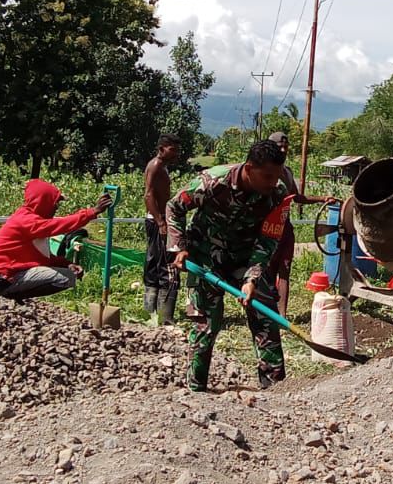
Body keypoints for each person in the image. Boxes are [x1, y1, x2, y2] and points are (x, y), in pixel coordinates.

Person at [167, 140, 290, 392]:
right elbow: (174, 207)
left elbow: (268, 239)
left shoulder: (277, 194)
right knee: (205, 323)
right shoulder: (212, 183)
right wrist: (179, 247)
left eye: (276, 176)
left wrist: (253, 277)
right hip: (204, 258)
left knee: (265, 315)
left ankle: (277, 388)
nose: (272, 182)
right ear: (248, 167)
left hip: (246, 259)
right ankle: (195, 389)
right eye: (267, 176)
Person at [0, 180, 112, 300]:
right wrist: (93, 212)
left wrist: (66, 263)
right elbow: (59, 225)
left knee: (67, 273)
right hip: (3, 278)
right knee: (65, 277)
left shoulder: (31, 220)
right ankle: (9, 296)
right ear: (43, 202)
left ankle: (11, 296)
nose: (56, 207)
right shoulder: (26, 221)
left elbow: (43, 257)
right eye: (54, 203)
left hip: (4, 275)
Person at [265, 131, 338, 315]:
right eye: (279, 146)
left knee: (285, 268)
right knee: (267, 270)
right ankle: (266, 312)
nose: (283, 149)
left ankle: (282, 316)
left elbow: (297, 197)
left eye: (286, 147)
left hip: (285, 227)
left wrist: (322, 198)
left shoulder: (287, 171)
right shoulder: (264, 170)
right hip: (267, 228)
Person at [143, 133, 183, 326]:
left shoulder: (162, 167)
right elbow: (148, 195)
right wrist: (161, 222)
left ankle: (152, 312)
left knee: (155, 263)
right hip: (157, 221)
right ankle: (164, 318)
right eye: (172, 150)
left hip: (159, 220)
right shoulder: (156, 166)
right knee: (167, 266)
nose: (176, 154)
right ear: (162, 149)